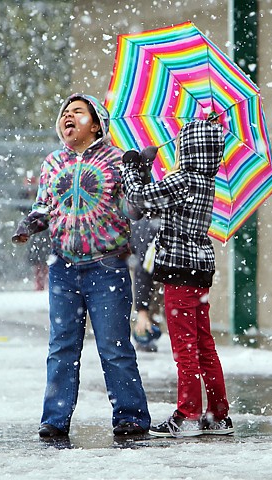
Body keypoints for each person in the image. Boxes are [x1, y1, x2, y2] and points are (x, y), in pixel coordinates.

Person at [12, 93, 151, 439]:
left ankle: (130, 416)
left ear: (96, 123)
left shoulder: (117, 160)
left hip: (107, 268)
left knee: (114, 346)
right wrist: (30, 223)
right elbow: (44, 206)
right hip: (63, 267)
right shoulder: (52, 162)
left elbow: (134, 210)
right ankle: (55, 419)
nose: (68, 117)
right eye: (65, 113)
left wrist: (140, 176)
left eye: (77, 112)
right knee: (62, 346)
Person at [122, 118, 234, 438]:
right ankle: (217, 415)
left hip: (179, 273)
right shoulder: (206, 181)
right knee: (203, 345)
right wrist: (146, 170)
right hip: (199, 269)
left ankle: (187, 415)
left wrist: (133, 167)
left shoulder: (182, 180)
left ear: (188, 147)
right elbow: (150, 201)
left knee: (185, 348)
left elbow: (139, 200)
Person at [129, 214, 164, 352]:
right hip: (142, 254)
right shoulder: (152, 234)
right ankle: (144, 333)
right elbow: (141, 274)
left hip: (161, 263)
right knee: (153, 297)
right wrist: (142, 312)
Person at [21, 175, 51, 291]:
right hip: (34, 232)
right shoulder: (28, 198)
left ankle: (47, 284)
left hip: (44, 231)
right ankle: (39, 284)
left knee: (46, 260)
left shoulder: (45, 196)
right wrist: (28, 190)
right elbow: (22, 206)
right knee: (37, 261)